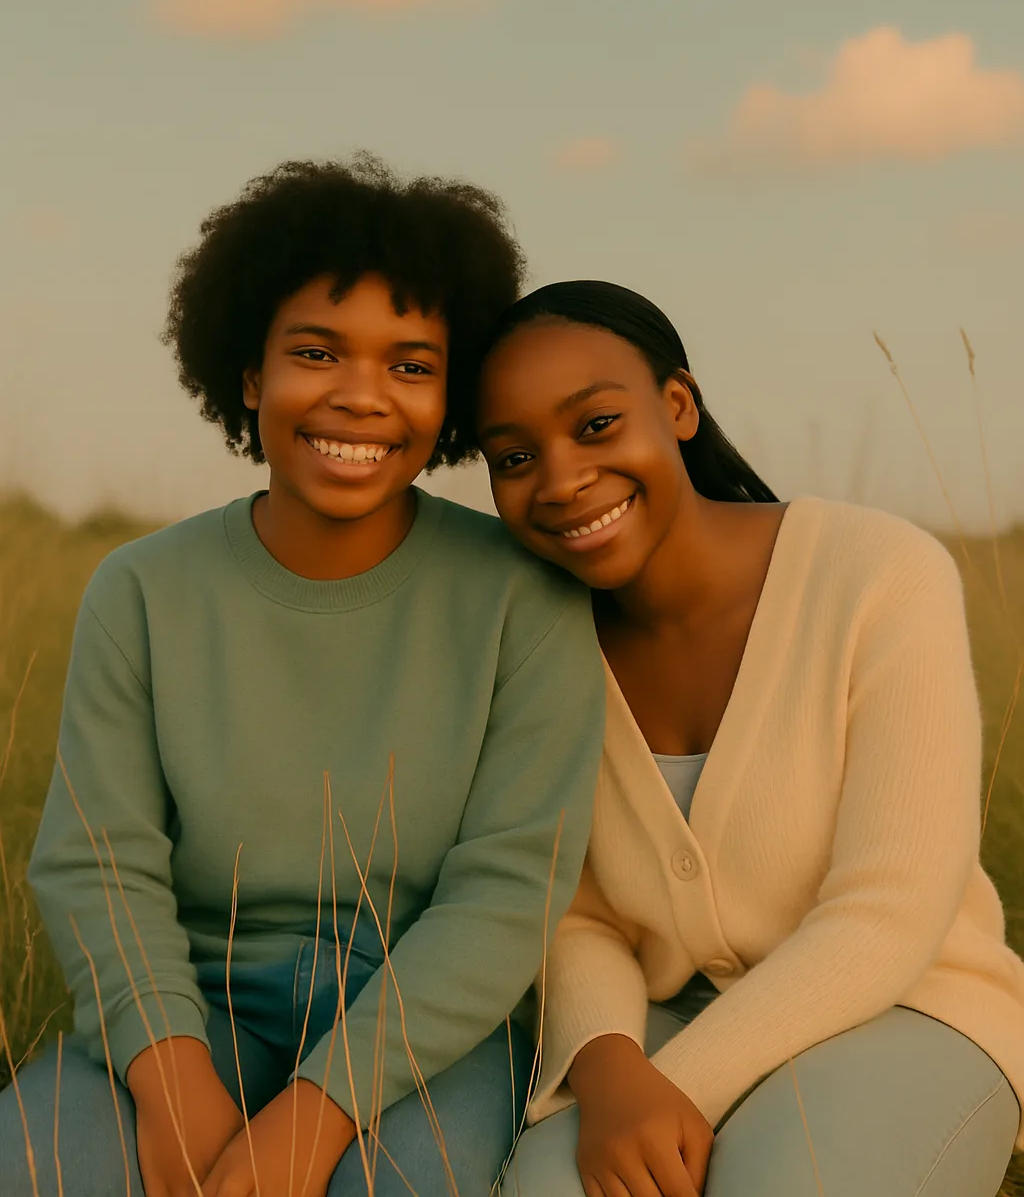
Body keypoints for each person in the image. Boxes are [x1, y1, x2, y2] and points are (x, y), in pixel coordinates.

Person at [0, 161, 607, 1197]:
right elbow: (100, 863)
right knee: (42, 1169)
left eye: (411, 365)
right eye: (316, 352)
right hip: (195, 1004)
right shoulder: (142, 589)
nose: (360, 395)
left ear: (448, 397)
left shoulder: (524, 596)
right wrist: (171, 1075)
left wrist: (317, 1115)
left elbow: (507, 890)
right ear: (249, 375)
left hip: (427, 1028)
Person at [474, 279, 1024, 1197]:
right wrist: (610, 1074)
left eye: (597, 426)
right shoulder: (535, 639)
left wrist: (673, 1088)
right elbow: (576, 912)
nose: (562, 478)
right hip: (654, 1024)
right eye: (514, 456)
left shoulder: (880, 575)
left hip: (915, 1011)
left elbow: (886, 914)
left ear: (677, 406)